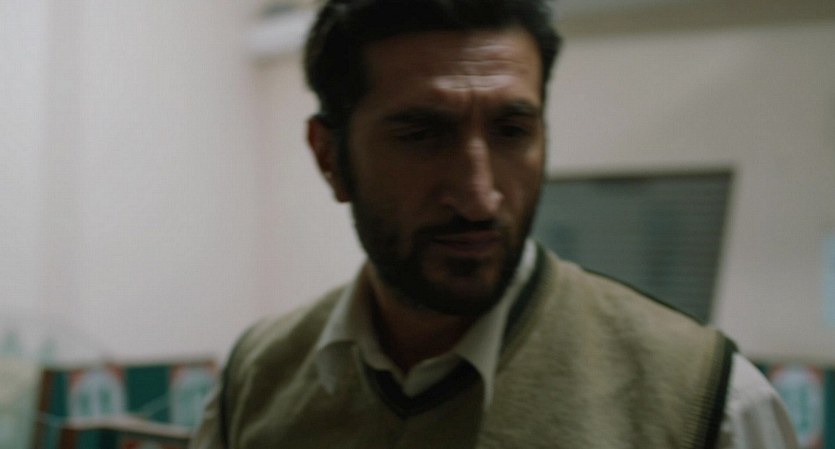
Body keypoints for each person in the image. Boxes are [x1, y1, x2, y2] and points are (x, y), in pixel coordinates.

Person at [190, 0, 799, 447]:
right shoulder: (255, 383)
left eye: (512, 131)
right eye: (422, 135)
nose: (479, 198)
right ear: (329, 157)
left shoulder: (707, 403)